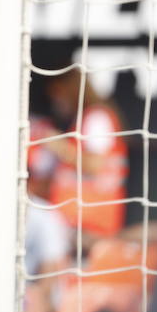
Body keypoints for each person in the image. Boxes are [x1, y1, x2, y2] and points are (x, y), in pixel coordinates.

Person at [45, 67, 129, 242]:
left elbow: (95, 165)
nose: (55, 100)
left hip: (89, 225)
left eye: (58, 92)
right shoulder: (84, 119)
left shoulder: (96, 118)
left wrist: (58, 147)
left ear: (71, 89)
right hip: (74, 222)